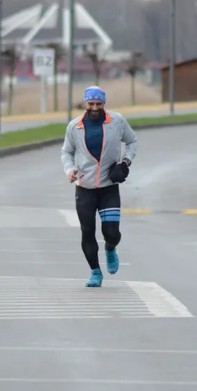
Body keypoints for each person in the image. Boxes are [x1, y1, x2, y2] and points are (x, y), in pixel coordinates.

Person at [61, 86, 137, 288]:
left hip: (108, 188)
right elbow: (66, 152)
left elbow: (131, 141)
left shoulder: (117, 121)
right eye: (91, 104)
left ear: (104, 104)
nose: (94, 108)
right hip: (84, 188)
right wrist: (69, 170)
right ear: (85, 103)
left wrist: (126, 162)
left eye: (98, 104)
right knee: (87, 231)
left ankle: (110, 248)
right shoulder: (74, 126)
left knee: (111, 233)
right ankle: (95, 272)